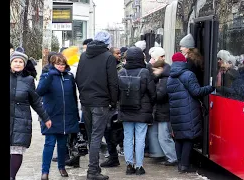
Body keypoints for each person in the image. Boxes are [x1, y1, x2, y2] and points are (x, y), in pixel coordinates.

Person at [76, 31, 118, 180]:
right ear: (107, 43)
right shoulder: (109, 57)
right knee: (96, 136)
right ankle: (93, 171)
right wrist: (113, 101)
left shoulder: (84, 56)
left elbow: (78, 78)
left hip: (86, 102)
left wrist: (83, 96)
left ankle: (94, 169)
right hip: (101, 103)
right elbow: (113, 82)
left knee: (91, 136)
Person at [166, 52, 214, 173]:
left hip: (175, 112)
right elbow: (196, 92)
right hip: (188, 111)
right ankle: (185, 165)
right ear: (183, 62)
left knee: (179, 138)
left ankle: (180, 164)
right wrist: (211, 87)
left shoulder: (170, 77)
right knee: (188, 138)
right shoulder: (188, 74)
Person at [36, 53, 80, 180]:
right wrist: (49, 76)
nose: (61, 66)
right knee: (49, 144)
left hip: (67, 116)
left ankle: (62, 167)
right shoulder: (46, 76)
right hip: (51, 116)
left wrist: (75, 115)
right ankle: (45, 172)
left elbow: (73, 97)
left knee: (62, 144)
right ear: (52, 64)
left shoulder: (69, 77)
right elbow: (39, 92)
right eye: (58, 64)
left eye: (63, 64)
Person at [10, 51, 52, 180]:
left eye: (20, 61)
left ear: (24, 64)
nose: (18, 64)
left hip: (21, 121)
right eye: (15, 61)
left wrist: (45, 118)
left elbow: (35, 101)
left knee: (16, 150)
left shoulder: (28, 80)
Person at [118, 47, 156, 175]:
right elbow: (152, 92)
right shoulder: (145, 72)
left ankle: (129, 165)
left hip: (125, 109)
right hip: (142, 110)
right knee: (140, 138)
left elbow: (117, 92)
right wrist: (151, 104)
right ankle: (139, 166)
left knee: (127, 138)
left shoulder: (122, 72)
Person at [149, 47, 178, 165]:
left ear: (160, 69)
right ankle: (169, 156)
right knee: (162, 135)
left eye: (155, 70)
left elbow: (160, 95)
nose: (153, 72)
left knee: (164, 136)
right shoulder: (162, 77)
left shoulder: (164, 79)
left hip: (164, 111)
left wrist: (152, 92)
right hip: (163, 111)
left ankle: (173, 157)